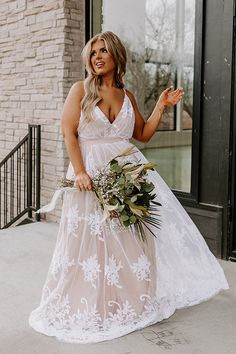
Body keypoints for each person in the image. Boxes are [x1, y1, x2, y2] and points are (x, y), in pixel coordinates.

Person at [29, 31, 229, 344]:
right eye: (93, 52)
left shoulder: (128, 96)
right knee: (92, 241)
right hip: (91, 175)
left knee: (134, 239)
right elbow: (69, 133)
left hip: (128, 173)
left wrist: (161, 106)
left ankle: (132, 302)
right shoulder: (80, 90)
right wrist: (80, 172)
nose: (97, 57)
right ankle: (92, 303)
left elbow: (143, 134)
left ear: (116, 57)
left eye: (104, 51)